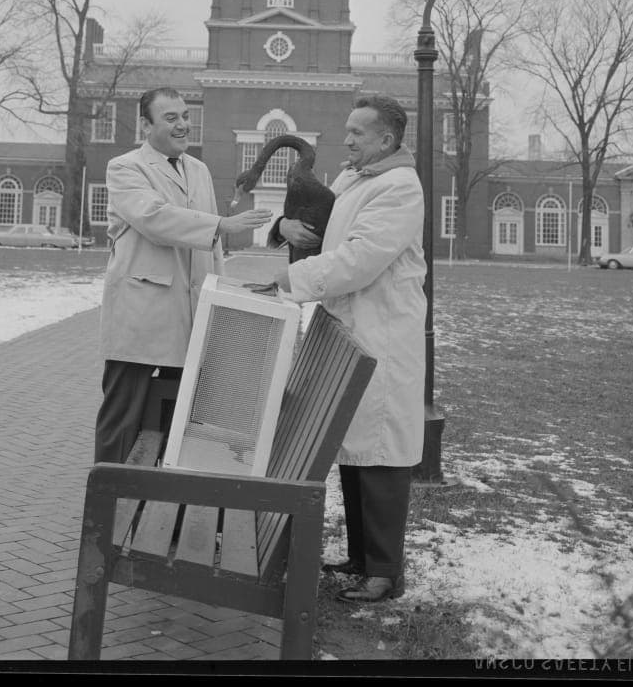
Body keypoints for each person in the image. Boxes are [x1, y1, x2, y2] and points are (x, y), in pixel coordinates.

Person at [269, 95, 426, 604]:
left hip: (383, 330)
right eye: (348, 129)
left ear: (387, 139)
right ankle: (361, 559)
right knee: (356, 447)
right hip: (351, 327)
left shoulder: (400, 187)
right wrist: (285, 228)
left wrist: (289, 279)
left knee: (381, 449)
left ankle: (384, 572)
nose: (348, 138)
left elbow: (360, 259)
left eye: (359, 132)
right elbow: (321, 232)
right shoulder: (352, 178)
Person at [93, 86, 272, 465]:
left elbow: (213, 247)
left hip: (191, 315)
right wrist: (222, 223)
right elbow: (154, 219)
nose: (182, 125)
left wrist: (221, 292)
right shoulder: (126, 168)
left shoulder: (199, 170)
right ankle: (108, 504)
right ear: (146, 125)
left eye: (186, 116)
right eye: (170, 118)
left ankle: (160, 507)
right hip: (141, 316)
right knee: (124, 417)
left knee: (178, 419)